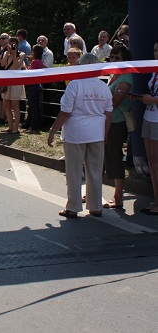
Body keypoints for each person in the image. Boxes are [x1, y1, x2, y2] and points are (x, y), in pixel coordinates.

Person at [47, 53, 113, 218]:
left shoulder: (75, 85)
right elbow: (108, 113)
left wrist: (53, 130)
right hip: (96, 131)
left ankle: (74, 207)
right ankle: (96, 206)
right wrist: (105, 132)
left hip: (76, 132)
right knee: (95, 171)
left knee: (74, 171)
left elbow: (65, 112)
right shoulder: (104, 86)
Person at [104, 45, 133, 209]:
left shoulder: (126, 77)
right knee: (103, 157)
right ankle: (94, 192)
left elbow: (115, 102)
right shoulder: (115, 75)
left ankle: (118, 197)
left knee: (115, 158)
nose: (113, 60)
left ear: (125, 60)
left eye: (117, 58)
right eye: (112, 57)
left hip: (116, 122)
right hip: (108, 121)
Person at [135, 41, 158, 215]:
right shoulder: (153, 70)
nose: (156, 53)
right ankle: (156, 199)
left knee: (156, 161)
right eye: (155, 50)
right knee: (151, 161)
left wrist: (152, 100)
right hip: (148, 116)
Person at [0, 36, 26, 134]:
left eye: (13, 44)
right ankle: (10, 126)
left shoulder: (22, 54)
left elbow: (16, 66)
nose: (11, 46)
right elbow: (2, 64)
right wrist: (7, 53)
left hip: (16, 81)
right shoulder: (6, 53)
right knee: (6, 105)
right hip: (7, 80)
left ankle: (16, 127)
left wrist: (14, 55)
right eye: (10, 44)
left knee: (15, 105)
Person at [23, 44, 44, 133]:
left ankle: (34, 127)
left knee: (33, 106)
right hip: (36, 85)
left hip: (33, 86)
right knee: (35, 106)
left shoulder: (35, 61)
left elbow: (30, 73)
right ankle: (34, 124)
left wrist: (24, 67)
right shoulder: (40, 61)